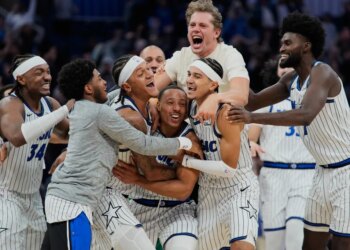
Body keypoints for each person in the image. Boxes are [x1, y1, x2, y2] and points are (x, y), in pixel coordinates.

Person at [42, 58, 197, 250]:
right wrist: (185, 152)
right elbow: (146, 154)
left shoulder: (116, 101)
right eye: (141, 73)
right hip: (90, 195)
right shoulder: (127, 116)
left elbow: (117, 92)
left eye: (149, 70)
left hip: (96, 194)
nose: (105, 82)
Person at [227, 12, 350, 250]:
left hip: (346, 172)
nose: (281, 47)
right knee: (309, 245)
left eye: (287, 43)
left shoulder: (322, 73)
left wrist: (252, 118)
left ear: (306, 46)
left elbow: (305, 115)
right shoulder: (290, 80)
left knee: (341, 246)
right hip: (321, 173)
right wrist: (232, 65)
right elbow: (251, 101)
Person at [181, 58, 259, 250]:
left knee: (242, 246)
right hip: (208, 191)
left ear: (214, 84)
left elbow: (228, 169)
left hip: (238, 188)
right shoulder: (189, 106)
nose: (190, 80)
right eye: (189, 74)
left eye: (197, 76)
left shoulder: (226, 113)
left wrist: (187, 162)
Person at [0, 54, 73, 249]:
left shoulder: (50, 104)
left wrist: (68, 150)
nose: (47, 77)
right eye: (39, 72)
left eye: (48, 72)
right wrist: (63, 111)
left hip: (34, 197)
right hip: (6, 196)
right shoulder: (10, 105)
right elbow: (16, 137)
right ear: (21, 79)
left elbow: (75, 134)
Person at [115, 85, 200, 250]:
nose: (176, 108)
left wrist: (138, 180)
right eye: (170, 102)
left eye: (182, 104)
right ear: (158, 106)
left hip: (178, 210)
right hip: (139, 207)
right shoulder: (144, 126)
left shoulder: (191, 138)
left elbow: (183, 190)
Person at [249, 58, 315, 250]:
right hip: (273, 175)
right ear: (276, 71)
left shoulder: (315, 100)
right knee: (274, 241)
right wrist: (251, 143)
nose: (287, 68)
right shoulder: (266, 101)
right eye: (282, 65)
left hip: (306, 173)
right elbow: (252, 136)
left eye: (292, 65)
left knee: (296, 229)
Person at [154, 0, 250, 122]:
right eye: (192, 25)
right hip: (188, 131)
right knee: (152, 103)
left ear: (216, 32)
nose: (196, 29)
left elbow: (241, 95)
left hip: (222, 128)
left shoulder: (230, 55)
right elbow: (150, 90)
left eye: (203, 25)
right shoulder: (180, 56)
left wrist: (215, 99)